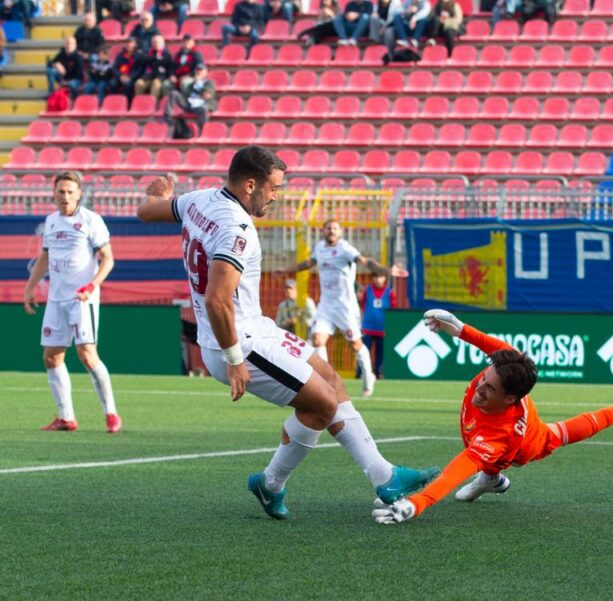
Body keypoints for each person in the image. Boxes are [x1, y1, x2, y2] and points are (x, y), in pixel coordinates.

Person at [136, 146, 438, 520]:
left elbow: (147, 211)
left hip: (254, 327)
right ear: (250, 185)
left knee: (331, 380)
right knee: (322, 404)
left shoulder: (197, 199)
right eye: (274, 188)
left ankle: (383, 475)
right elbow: (217, 300)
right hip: (238, 340)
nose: (276, 196)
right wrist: (234, 359)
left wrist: (158, 194)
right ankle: (274, 483)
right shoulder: (235, 228)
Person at [373, 310, 613, 524]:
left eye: (489, 388)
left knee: (560, 434)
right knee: (477, 440)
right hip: (490, 430)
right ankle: (491, 480)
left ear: (509, 399)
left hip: (524, 445)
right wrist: (458, 328)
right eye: (484, 378)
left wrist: (417, 503)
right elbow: (488, 344)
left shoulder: (499, 436)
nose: (479, 388)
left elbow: (453, 474)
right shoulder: (507, 365)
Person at [23, 171, 122, 434]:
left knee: (87, 355)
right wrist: (30, 288)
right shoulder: (51, 221)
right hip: (56, 299)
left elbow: (108, 259)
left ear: (78, 194)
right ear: (54, 194)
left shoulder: (91, 220)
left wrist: (92, 285)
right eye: (61, 191)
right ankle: (66, 417)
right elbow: (45, 257)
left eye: (70, 192)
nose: (65, 196)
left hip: (82, 298)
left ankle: (111, 413)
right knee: (51, 356)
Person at [277, 219, 382, 397]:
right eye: (328, 228)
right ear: (323, 231)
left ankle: (368, 375)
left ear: (339, 232)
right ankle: (327, 381)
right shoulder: (319, 248)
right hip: (326, 305)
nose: (331, 231)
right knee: (318, 340)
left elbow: (362, 260)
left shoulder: (345, 248)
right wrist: (286, 270)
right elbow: (308, 264)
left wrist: (384, 270)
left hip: (345, 307)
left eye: (334, 228)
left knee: (355, 345)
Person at [359, 267, 394, 380]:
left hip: (382, 329)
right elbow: (363, 305)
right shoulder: (367, 291)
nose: (378, 279)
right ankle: (360, 373)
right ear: (372, 278)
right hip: (367, 328)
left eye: (381, 277)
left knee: (380, 353)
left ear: (385, 278)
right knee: (363, 351)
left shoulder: (390, 293)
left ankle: (378, 373)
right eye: (375, 277)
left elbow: (393, 310)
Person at [164, 62, 216, 136]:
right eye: (197, 70)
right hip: (190, 103)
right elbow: (186, 93)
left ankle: (203, 132)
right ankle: (167, 117)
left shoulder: (209, 82)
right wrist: (193, 83)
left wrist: (199, 84)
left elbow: (207, 95)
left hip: (201, 104)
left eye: (201, 70)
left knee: (203, 110)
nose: (199, 72)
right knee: (174, 93)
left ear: (205, 72)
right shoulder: (192, 83)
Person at [133, 33, 172, 98]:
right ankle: (139, 102)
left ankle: (153, 102)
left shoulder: (166, 53)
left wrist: (151, 60)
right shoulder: (148, 52)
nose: (156, 44)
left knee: (155, 84)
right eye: (154, 42)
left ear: (163, 44)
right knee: (138, 83)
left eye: (158, 42)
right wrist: (155, 58)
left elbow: (164, 62)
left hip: (160, 77)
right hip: (148, 76)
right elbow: (143, 59)